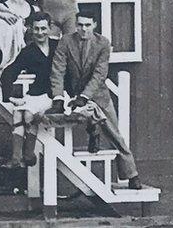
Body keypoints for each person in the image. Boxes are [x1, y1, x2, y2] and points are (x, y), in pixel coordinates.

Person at [49, 13, 142, 189]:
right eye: (80, 25)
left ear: (95, 25)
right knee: (77, 117)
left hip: (98, 94)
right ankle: (93, 130)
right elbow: (58, 70)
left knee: (114, 133)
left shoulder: (103, 43)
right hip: (74, 94)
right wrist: (59, 97)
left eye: (88, 25)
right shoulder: (65, 42)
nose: (83, 29)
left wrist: (85, 97)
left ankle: (132, 174)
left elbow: (100, 74)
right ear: (76, 25)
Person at [0, 12, 57, 168]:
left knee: (29, 114)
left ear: (50, 29)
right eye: (36, 29)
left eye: (43, 28)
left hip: (56, 93)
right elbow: (9, 72)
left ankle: (29, 153)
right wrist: (9, 96)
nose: (40, 33)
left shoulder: (58, 47)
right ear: (31, 29)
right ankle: (18, 158)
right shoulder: (28, 52)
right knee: (18, 111)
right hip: (38, 93)